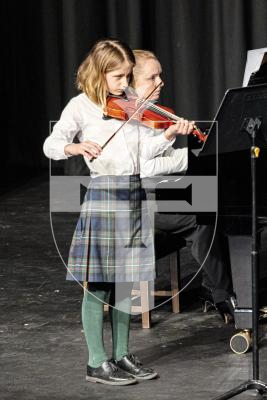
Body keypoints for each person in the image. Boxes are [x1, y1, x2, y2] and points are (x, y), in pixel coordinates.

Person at [43, 39, 195, 386]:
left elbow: (142, 154)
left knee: (128, 284)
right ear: (99, 72)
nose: (124, 83)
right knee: (97, 285)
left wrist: (168, 135)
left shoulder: (128, 104)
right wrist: (74, 146)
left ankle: (123, 354)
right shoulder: (80, 107)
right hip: (105, 195)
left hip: (135, 193)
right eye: (117, 76)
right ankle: (97, 361)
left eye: (128, 76)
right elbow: (50, 145)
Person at [132, 49, 235, 322]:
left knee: (216, 202)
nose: (160, 82)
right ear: (130, 83)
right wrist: (179, 148)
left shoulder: (153, 112)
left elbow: (162, 162)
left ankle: (220, 290)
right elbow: (142, 168)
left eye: (161, 75)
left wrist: (203, 151)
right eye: (151, 77)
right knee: (200, 216)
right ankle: (224, 296)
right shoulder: (124, 120)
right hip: (136, 201)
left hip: (157, 192)